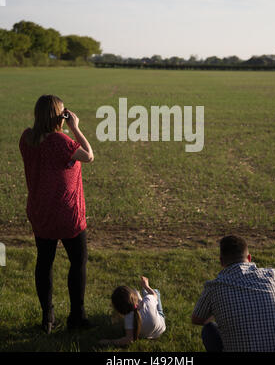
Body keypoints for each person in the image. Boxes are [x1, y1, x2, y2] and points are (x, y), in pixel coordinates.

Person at [19, 94, 94, 333]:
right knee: (78, 261)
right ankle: (77, 317)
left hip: (40, 211)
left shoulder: (27, 138)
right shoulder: (62, 142)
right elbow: (89, 155)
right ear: (58, 116)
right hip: (67, 213)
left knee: (44, 262)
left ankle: (47, 318)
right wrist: (75, 127)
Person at [192, 235, 275, 352]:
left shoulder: (214, 287)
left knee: (209, 330)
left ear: (221, 261)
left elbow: (198, 319)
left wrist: (219, 310)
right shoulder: (272, 275)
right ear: (249, 257)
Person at [99, 276, 166, 346]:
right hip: (160, 329)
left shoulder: (129, 318)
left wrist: (109, 342)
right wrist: (146, 286)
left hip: (143, 335)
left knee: (147, 296)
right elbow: (154, 295)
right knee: (155, 291)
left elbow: (128, 340)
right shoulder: (148, 301)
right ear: (134, 298)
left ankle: (139, 296)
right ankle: (140, 294)